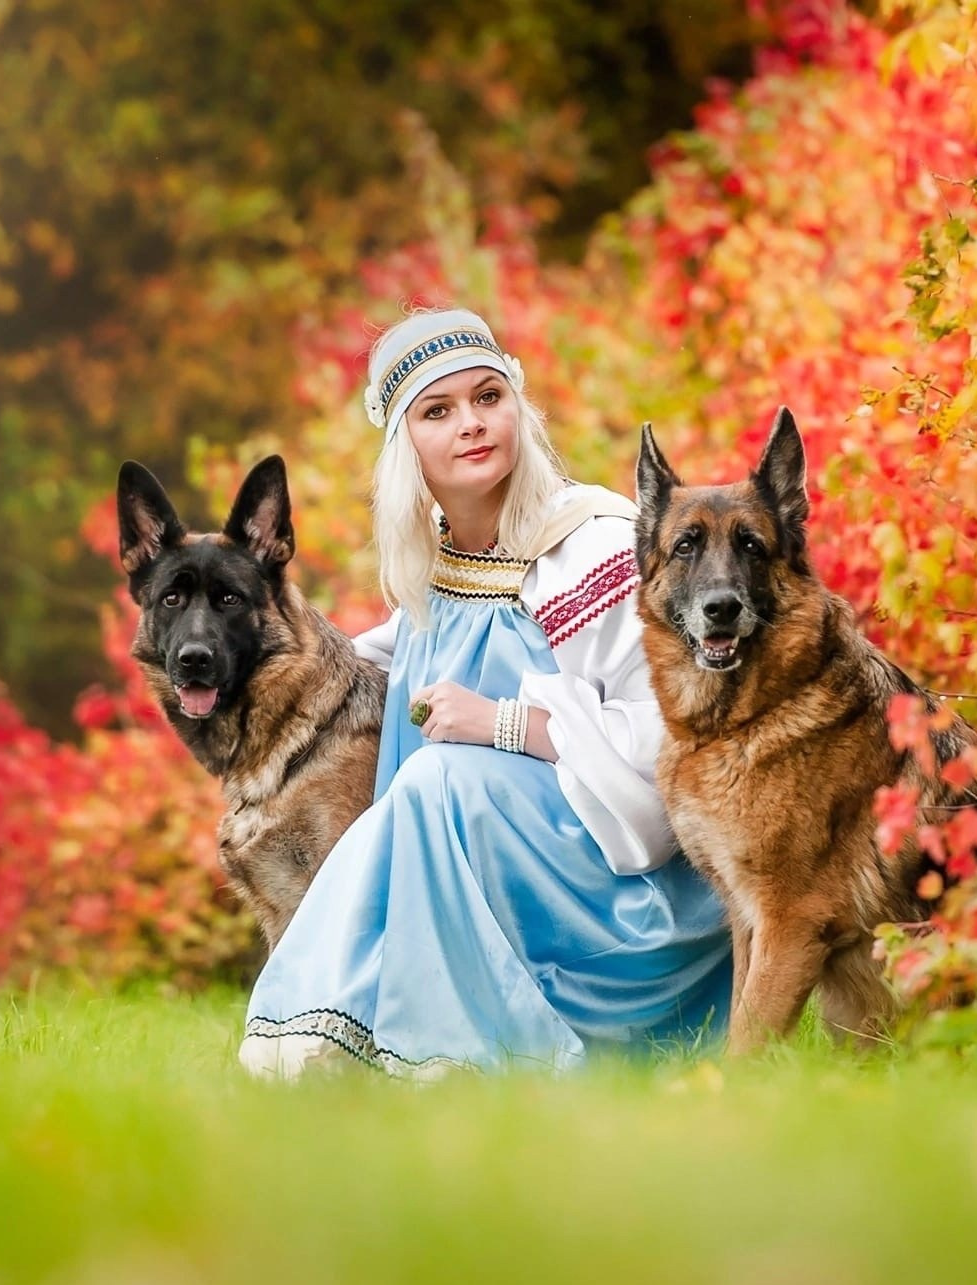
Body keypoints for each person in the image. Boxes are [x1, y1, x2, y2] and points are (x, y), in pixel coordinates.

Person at [238, 307, 733, 1079]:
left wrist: (503, 724)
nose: (471, 422)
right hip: (509, 878)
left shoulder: (592, 546)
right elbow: (377, 661)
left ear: (517, 409)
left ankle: (446, 1054)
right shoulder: (435, 564)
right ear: (404, 445)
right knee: (408, 795)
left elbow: (675, 737)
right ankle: (333, 1039)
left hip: (615, 901)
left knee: (435, 779)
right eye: (437, 411)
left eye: (488, 396)